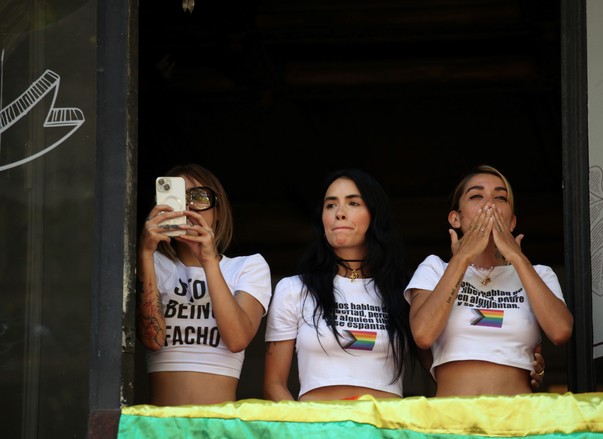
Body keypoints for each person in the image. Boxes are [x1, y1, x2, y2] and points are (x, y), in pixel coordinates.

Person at [405, 165, 573, 396]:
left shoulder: (540, 274)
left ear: (512, 222)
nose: (490, 204)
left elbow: (561, 331)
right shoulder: (435, 269)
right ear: (455, 218)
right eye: (476, 196)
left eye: (500, 197)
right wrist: (462, 259)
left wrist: (516, 257)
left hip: (519, 419)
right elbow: (423, 334)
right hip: (452, 418)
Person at [263, 169, 417, 401]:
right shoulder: (294, 289)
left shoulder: (405, 290)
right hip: (318, 431)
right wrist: (304, 430)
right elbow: (273, 384)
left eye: (353, 203)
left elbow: (442, 369)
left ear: (375, 215)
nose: (340, 214)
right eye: (331, 205)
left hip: (385, 432)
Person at [137, 163, 272, 406]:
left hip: (219, 429)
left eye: (199, 197)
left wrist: (208, 261)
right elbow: (153, 340)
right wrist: (145, 253)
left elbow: (237, 339)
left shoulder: (247, 267)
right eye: (178, 196)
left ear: (218, 211)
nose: (189, 206)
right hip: (159, 428)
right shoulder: (154, 263)